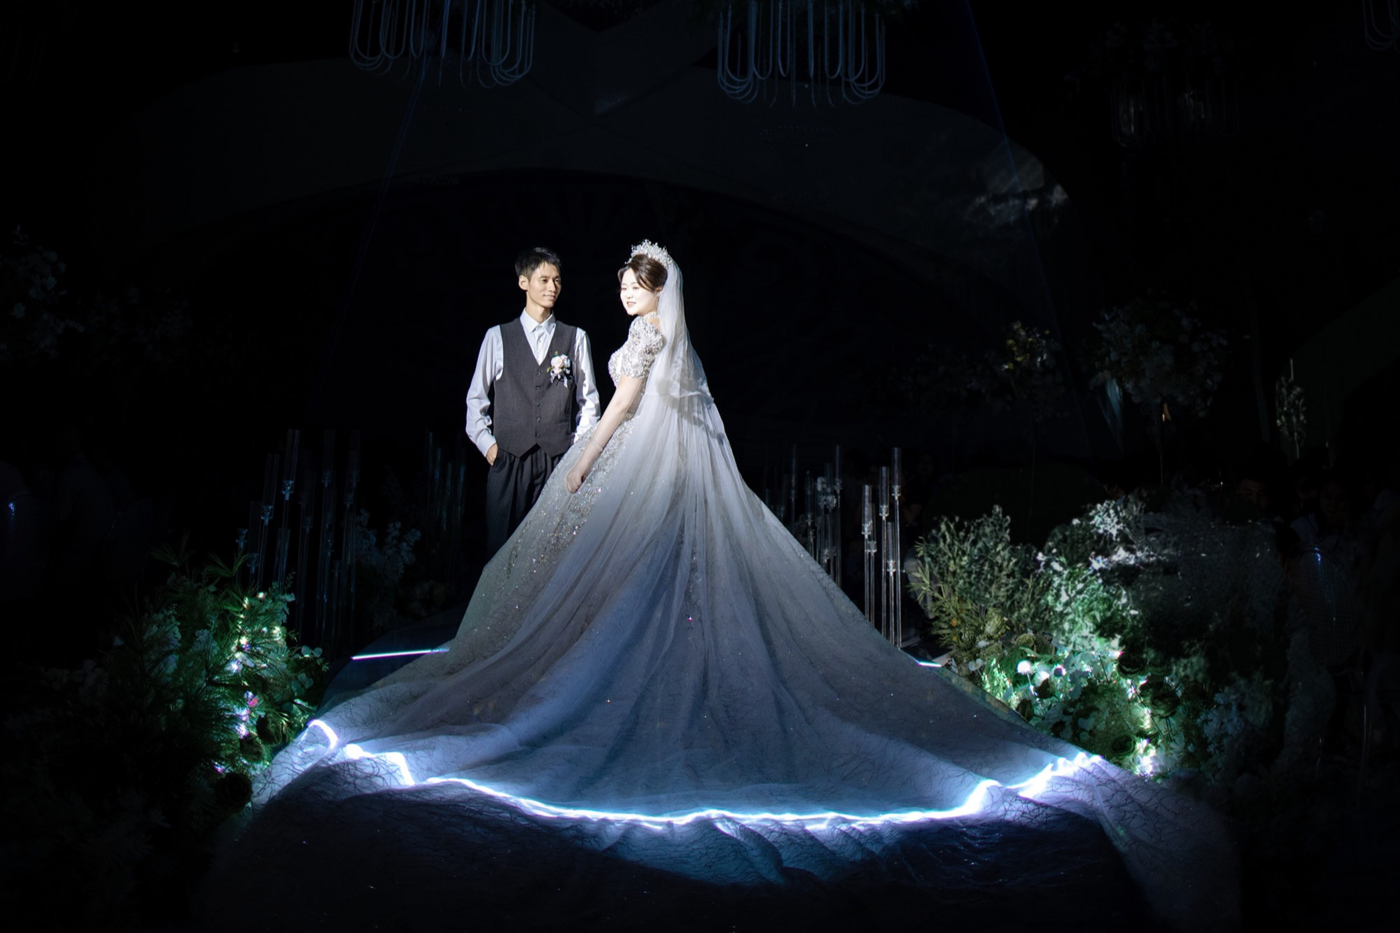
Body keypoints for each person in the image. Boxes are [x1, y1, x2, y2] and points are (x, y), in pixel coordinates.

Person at [218, 243, 1237, 932]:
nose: (618, 292)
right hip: (660, 476)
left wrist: (579, 464)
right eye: (618, 284)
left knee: (616, 582)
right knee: (650, 581)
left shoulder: (643, 341)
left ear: (649, 290)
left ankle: (629, 677)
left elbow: (621, 412)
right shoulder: (660, 340)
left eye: (627, 283)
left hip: (629, 470)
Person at [465, 247, 599, 555]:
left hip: (557, 461)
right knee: (502, 553)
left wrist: (577, 452)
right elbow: (475, 399)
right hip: (509, 461)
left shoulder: (575, 337)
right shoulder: (497, 337)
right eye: (544, 280)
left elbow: (589, 401)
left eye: (557, 280)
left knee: (553, 554)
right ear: (524, 282)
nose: (552, 287)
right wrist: (490, 447)